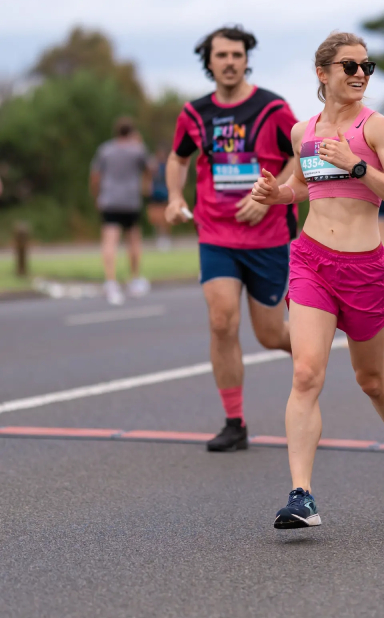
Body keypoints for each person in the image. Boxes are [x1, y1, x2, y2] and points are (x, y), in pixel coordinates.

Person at [250, 31, 384, 529]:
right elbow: (304, 187)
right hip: (311, 261)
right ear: (322, 73)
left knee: (370, 379)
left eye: (367, 67)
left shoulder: (377, 129)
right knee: (306, 373)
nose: (360, 76)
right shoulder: (303, 132)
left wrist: (359, 165)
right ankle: (301, 494)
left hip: (364, 268)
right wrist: (276, 193)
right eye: (350, 67)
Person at [165, 25, 297, 452]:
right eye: (221, 55)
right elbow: (177, 157)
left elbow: (302, 154)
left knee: (272, 336)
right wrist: (172, 196)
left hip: (269, 237)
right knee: (222, 320)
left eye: (236, 55)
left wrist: (271, 196)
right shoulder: (194, 113)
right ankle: (234, 422)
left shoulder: (273, 108)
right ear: (210, 62)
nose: (229, 62)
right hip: (217, 234)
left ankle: (314, 349)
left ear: (246, 59)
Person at [90, 117, 155, 306]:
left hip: (109, 200)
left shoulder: (105, 149)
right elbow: (151, 167)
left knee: (110, 241)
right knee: (133, 241)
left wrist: (97, 196)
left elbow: (95, 176)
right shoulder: (137, 149)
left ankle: (111, 281)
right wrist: (146, 184)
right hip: (130, 201)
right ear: (132, 131)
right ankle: (135, 279)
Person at [147, 145, 172, 251]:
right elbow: (147, 177)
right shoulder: (153, 166)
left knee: (165, 218)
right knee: (155, 218)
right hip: (155, 195)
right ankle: (159, 237)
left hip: (165, 194)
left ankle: (165, 238)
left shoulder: (168, 166)